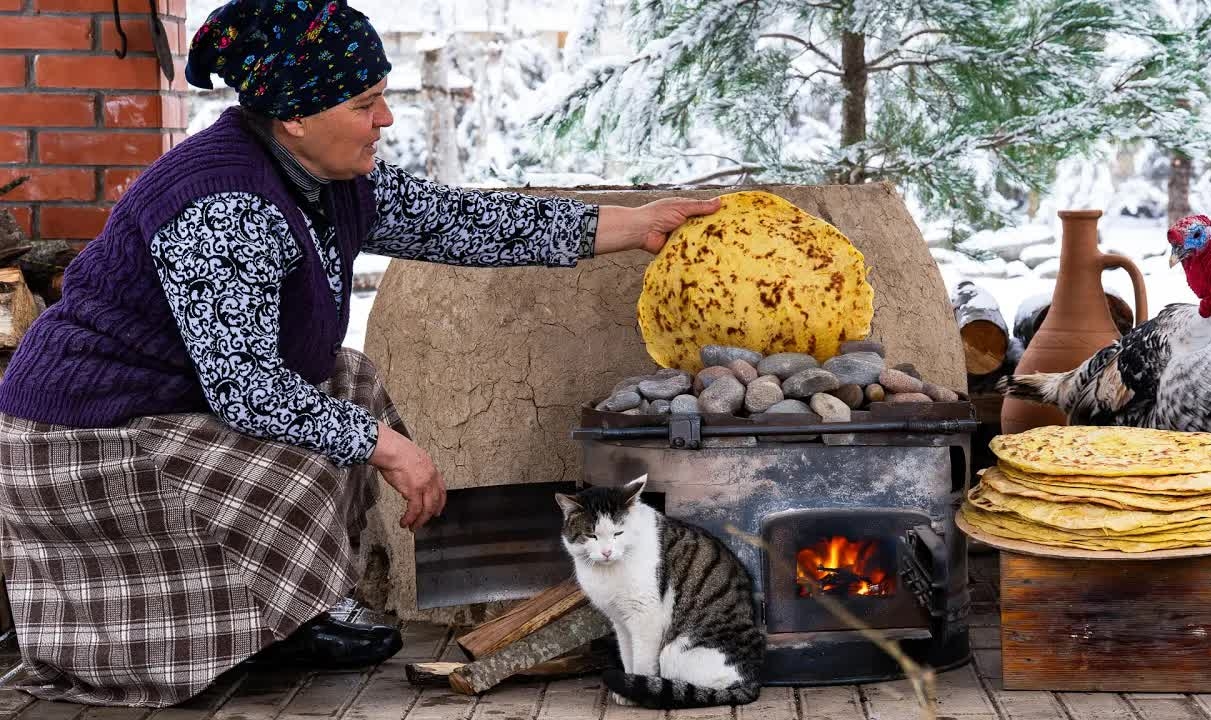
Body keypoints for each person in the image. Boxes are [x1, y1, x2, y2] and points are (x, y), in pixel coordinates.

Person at [0, 0, 720, 707]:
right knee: (321, 440)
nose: (386, 119)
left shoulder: (322, 176)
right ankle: (196, 636)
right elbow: (247, 389)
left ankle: (292, 615)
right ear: (296, 115)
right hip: (86, 437)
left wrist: (634, 224)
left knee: (347, 385)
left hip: (168, 406)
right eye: (366, 103)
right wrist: (393, 450)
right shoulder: (223, 203)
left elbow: (463, 222)